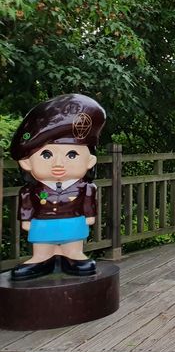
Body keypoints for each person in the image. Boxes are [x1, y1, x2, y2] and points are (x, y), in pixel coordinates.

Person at [9, 94, 106, 280]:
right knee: (42, 243)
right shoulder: (31, 190)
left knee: (73, 243)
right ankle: (41, 257)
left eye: (71, 155)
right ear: (27, 163)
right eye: (46, 155)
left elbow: (88, 203)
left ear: (90, 160)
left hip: (73, 221)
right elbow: (27, 205)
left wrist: (89, 215)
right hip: (42, 222)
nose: (59, 164)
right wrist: (26, 219)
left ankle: (73, 255)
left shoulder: (85, 187)